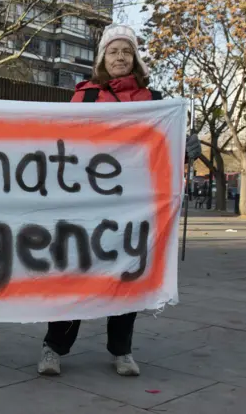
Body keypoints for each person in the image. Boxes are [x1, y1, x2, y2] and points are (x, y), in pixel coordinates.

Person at [37, 24, 201, 378]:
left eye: (126, 51)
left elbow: (164, 152)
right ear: (102, 59)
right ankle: (54, 347)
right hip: (85, 205)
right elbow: (64, 143)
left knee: (127, 276)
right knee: (75, 275)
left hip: (134, 208)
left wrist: (186, 151)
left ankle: (122, 351)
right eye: (113, 51)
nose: (120, 57)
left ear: (136, 59)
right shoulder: (87, 97)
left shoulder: (156, 102)